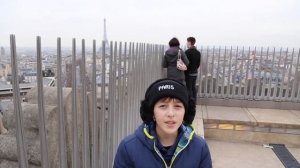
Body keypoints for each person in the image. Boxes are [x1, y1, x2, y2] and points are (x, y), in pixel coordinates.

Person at [114, 79, 212, 168]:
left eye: (177, 106)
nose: (171, 114)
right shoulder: (128, 148)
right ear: (151, 112)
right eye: (163, 106)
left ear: (186, 112)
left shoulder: (199, 148)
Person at [185, 37, 201, 101]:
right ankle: (194, 101)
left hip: (188, 73)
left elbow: (185, 63)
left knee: (189, 88)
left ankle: (190, 102)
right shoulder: (198, 52)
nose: (186, 43)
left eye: (187, 42)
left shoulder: (187, 52)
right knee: (193, 88)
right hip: (195, 72)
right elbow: (198, 64)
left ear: (189, 42)